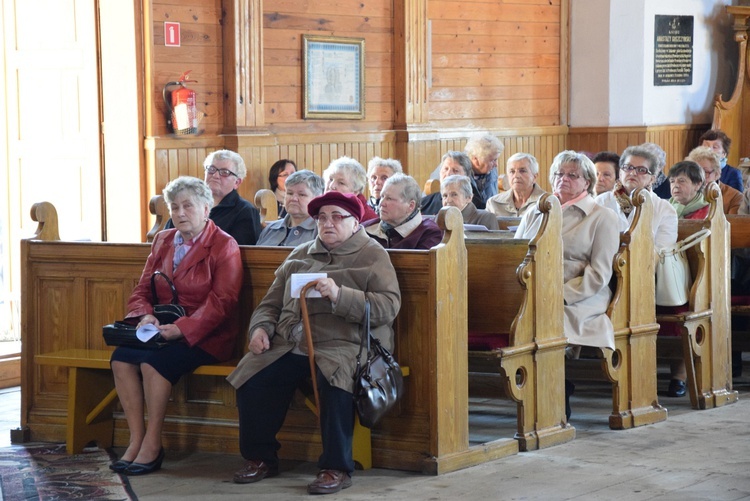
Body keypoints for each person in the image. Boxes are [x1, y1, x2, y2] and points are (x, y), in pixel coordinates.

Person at [227, 191, 401, 495]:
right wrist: (260, 330)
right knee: (253, 377)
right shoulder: (300, 254)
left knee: (334, 380)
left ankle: (336, 466)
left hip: (346, 344)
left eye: (336, 216)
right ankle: (261, 458)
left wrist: (339, 295)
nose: (327, 223)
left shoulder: (373, 255)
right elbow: (269, 305)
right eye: (321, 217)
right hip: (290, 342)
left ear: (355, 221)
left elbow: (388, 306)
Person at [110, 176, 243, 476]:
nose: (180, 213)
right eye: (174, 207)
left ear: (206, 208)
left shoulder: (224, 245)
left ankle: (153, 444)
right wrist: (145, 315)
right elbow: (142, 289)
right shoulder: (163, 239)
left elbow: (224, 301)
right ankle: (136, 439)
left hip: (207, 334)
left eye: (188, 206)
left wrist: (182, 329)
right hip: (159, 329)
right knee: (121, 359)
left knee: (153, 363)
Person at [516, 150, 620, 419]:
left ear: (587, 181)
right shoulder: (535, 212)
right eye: (559, 174)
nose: (564, 179)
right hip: (530, 289)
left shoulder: (601, 217)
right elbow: (513, 252)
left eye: (572, 175)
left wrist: (559, 295)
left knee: (547, 318)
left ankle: (555, 390)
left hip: (579, 295)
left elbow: (599, 274)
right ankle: (527, 386)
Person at [165, 150, 262, 245]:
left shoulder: (245, 211)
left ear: (237, 182)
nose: (215, 175)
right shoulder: (184, 205)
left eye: (224, 172)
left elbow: (242, 252)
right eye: (211, 169)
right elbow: (165, 243)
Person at [594, 145, 678, 252]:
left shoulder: (665, 210)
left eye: (641, 170)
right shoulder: (601, 202)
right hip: (605, 265)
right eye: (628, 168)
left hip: (647, 266)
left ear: (652, 179)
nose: (633, 173)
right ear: (620, 173)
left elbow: (661, 253)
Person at [365, 174, 443, 249]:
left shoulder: (429, 234)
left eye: (389, 199)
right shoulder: (366, 229)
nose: (381, 203)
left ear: (411, 206)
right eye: (382, 196)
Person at [256, 170, 324, 246]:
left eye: (301, 194)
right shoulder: (270, 229)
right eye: (290, 193)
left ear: (317, 199)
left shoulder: (322, 232)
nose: (293, 198)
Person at [485, 152, 546, 217]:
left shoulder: (546, 202)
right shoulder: (494, 203)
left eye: (522, 171)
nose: (516, 176)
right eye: (512, 171)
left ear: (534, 177)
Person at [420, 151, 478, 215]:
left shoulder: (477, 206)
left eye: (455, 171)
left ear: (466, 176)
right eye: (446, 169)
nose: (448, 174)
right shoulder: (424, 204)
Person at [687, 146, 742, 214]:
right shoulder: (684, 194)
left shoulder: (734, 197)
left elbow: (733, 223)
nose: (698, 177)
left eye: (705, 172)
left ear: (716, 173)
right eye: (694, 172)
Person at [323, 156, 378, 221]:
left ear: (356, 191)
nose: (331, 186)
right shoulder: (318, 207)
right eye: (331, 179)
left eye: (341, 183)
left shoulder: (368, 220)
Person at [464, 132, 505, 208]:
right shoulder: (459, 172)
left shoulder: (492, 171)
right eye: (493, 160)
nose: (496, 164)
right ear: (475, 159)